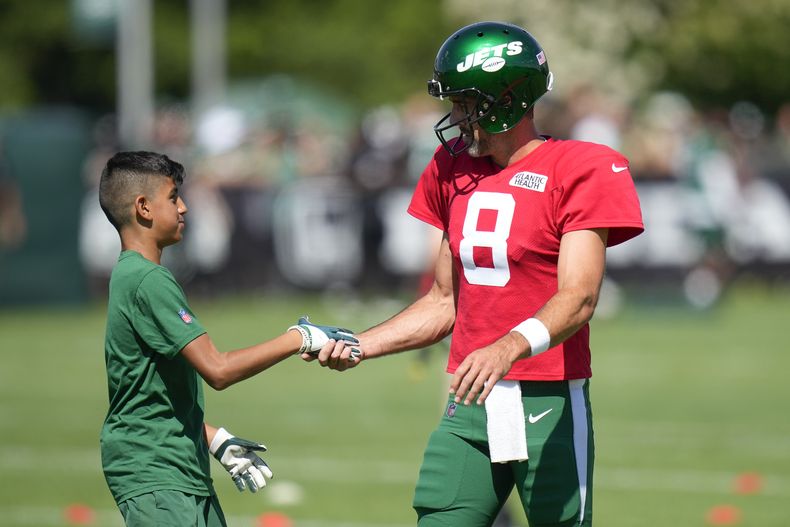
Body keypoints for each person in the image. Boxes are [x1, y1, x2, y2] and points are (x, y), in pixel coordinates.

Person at [309, 21, 644, 526]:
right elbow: (444, 302)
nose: (455, 117)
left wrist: (506, 346)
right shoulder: (450, 166)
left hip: (549, 397)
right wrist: (361, 344)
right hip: (470, 399)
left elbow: (579, 296)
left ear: (505, 100)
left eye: (465, 103)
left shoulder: (582, 166)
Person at [98, 151, 358, 526]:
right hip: (157, 473)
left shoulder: (134, 275)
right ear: (143, 208)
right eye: (173, 197)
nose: (184, 207)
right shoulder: (147, 280)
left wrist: (213, 438)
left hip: (179, 465)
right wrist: (300, 337)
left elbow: (149, 398)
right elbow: (217, 370)